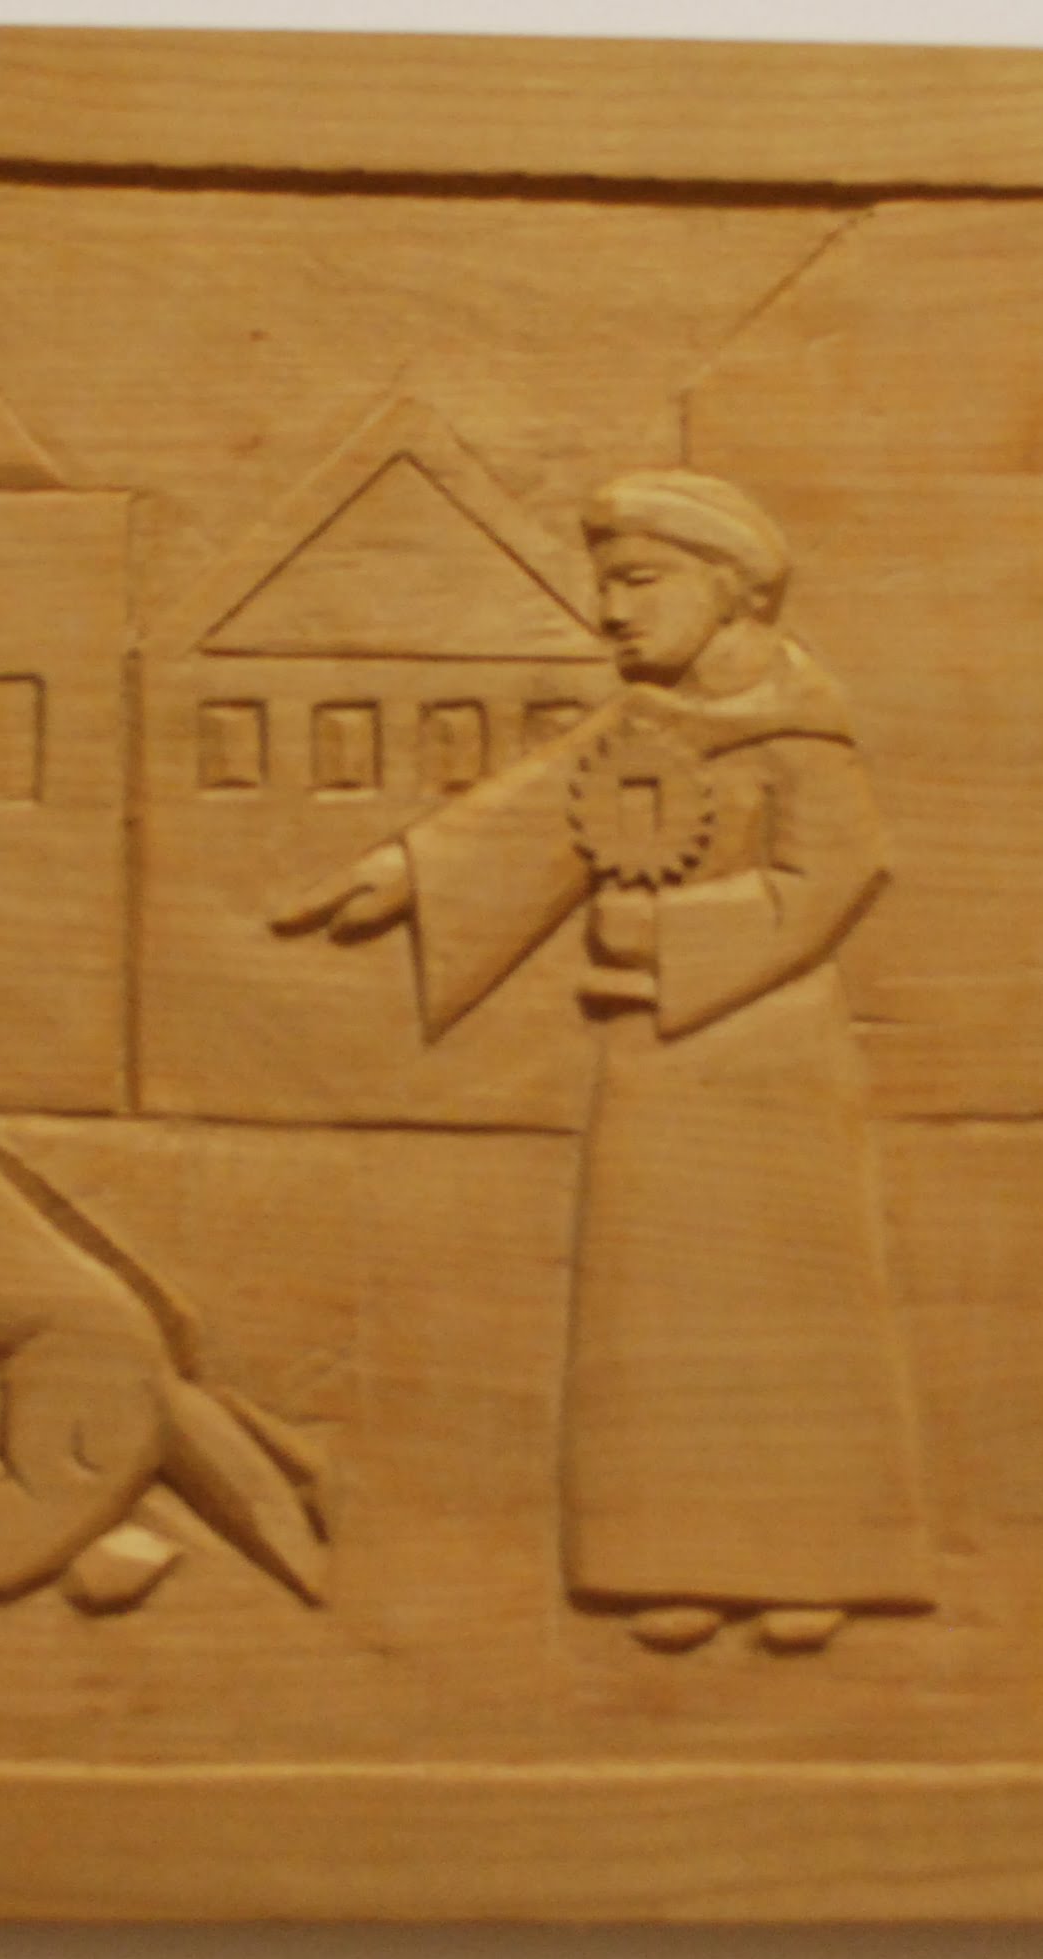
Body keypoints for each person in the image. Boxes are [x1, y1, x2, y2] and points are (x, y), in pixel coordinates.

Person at [273, 469, 931, 1654]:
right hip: (651, 1064)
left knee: (785, 1312)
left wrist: (661, 931)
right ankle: (667, 1557)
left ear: (728, 589)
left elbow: (839, 874)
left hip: (770, 1069)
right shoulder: (643, 721)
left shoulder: (797, 729)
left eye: (637, 582)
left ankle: (815, 1562)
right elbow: (535, 809)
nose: (608, 611)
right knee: (656, 1310)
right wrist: (407, 872)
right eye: (603, 585)